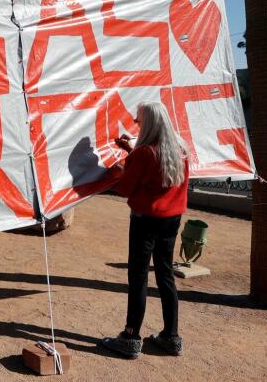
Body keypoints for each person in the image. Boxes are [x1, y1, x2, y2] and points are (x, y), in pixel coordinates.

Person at [101, 101, 188, 359]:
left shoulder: (143, 155)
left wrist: (118, 170)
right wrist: (131, 150)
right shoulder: (181, 149)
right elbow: (158, 171)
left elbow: (125, 187)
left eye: (138, 121)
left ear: (148, 124)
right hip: (172, 219)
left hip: (145, 220)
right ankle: (171, 337)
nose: (136, 125)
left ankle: (131, 336)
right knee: (165, 275)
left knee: (138, 277)